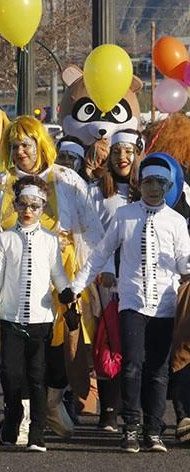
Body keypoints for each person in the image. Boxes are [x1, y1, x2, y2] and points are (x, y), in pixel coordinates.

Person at [0, 116, 103, 442]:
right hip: (7, 280)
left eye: (25, 144)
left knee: (58, 354)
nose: (20, 152)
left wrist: (95, 277)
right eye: (14, 146)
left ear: (40, 144)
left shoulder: (67, 179)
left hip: (59, 280)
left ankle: (51, 404)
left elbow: (93, 233)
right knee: (9, 355)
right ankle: (22, 414)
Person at [70, 156, 190, 453]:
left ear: (169, 187)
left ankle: (154, 428)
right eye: (148, 183)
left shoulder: (176, 222)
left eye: (160, 184)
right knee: (133, 365)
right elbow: (100, 254)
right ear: (139, 185)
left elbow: (183, 262)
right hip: (132, 303)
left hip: (163, 306)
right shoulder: (125, 216)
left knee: (159, 369)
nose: (153, 189)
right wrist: (74, 287)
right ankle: (131, 428)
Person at [0, 175, 72, 453]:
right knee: (10, 374)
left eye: (35, 206)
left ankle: (37, 433)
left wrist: (68, 298)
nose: (28, 211)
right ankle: (14, 413)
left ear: (43, 208)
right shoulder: (5, 239)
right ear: (15, 205)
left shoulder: (50, 240)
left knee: (37, 376)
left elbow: (59, 275)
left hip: (41, 321)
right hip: (10, 318)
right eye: (23, 204)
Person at [90, 130, 143, 432]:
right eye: (116, 152)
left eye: (128, 151)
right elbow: (94, 234)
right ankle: (108, 409)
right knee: (108, 342)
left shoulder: (146, 190)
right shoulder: (98, 192)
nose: (122, 158)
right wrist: (105, 268)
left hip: (138, 276)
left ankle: (132, 409)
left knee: (135, 344)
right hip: (108, 278)